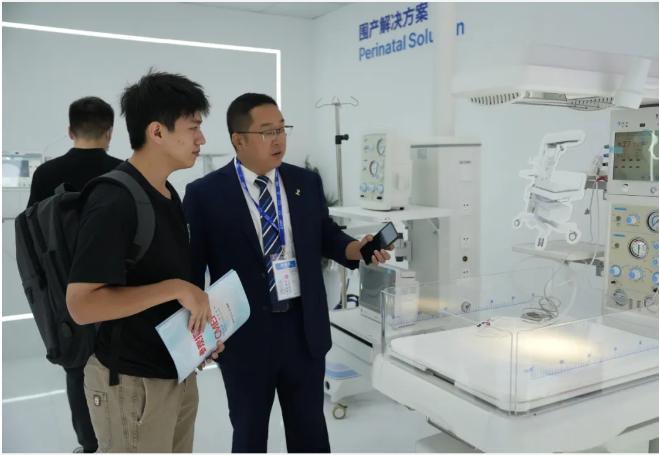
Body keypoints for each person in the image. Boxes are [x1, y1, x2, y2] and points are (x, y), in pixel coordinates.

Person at [183, 93, 391, 453]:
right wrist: (197, 337)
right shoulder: (205, 194)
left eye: (282, 129)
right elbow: (192, 268)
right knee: (249, 434)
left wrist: (356, 249)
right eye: (267, 131)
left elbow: (326, 235)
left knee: (310, 432)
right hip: (245, 337)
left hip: (303, 331)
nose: (278, 139)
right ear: (238, 140)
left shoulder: (304, 182)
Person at [65, 71, 222, 453]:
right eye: (193, 127)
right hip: (132, 385)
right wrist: (176, 288)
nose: (202, 139)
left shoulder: (166, 193)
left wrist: (199, 337)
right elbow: (81, 305)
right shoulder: (114, 199)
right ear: (157, 132)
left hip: (174, 371)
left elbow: (158, 289)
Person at [27, 96, 120, 453]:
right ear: (109, 132)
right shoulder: (122, 172)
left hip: (64, 288)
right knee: (119, 363)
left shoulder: (47, 175)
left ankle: (89, 443)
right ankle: (121, 439)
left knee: (76, 366)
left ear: (70, 131)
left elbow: (32, 234)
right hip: (116, 285)